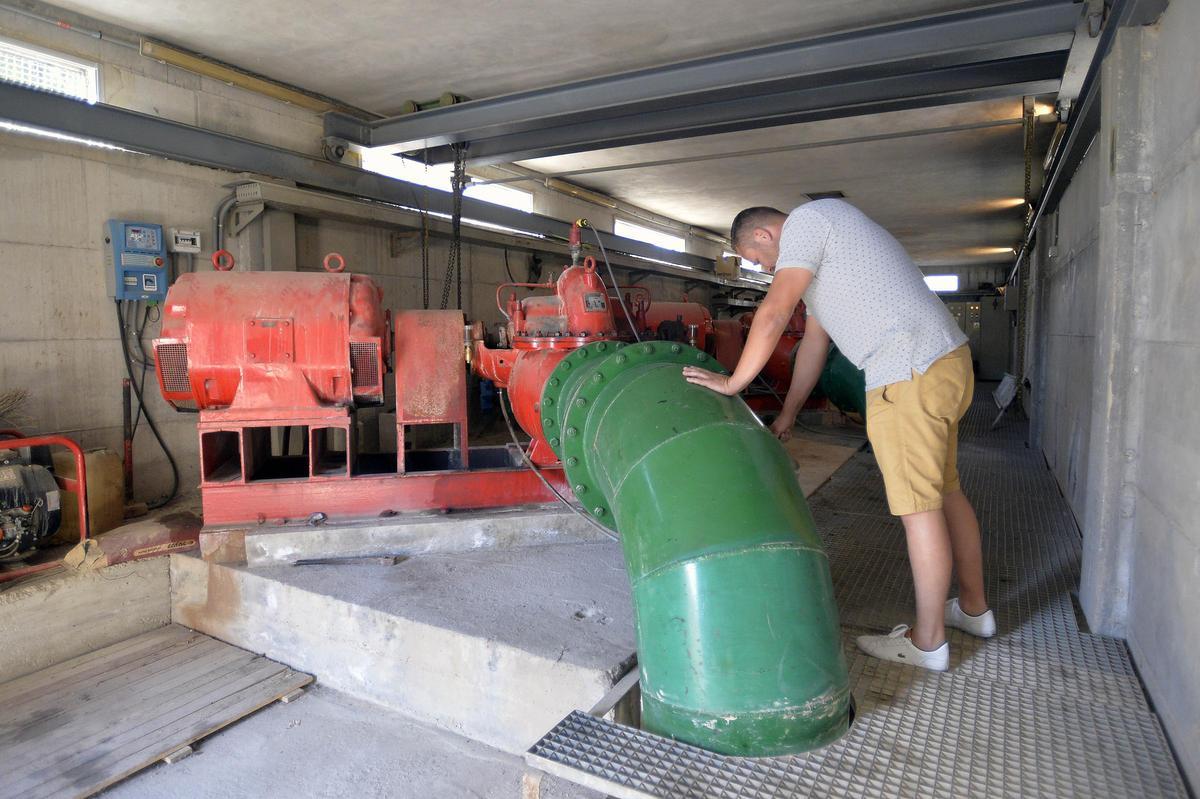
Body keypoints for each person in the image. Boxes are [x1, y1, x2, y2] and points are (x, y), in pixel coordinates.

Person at [682, 200, 995, 671]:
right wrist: (788, 413)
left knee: (919, 511)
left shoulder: (808, 221)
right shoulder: (835, 245)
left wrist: (732, 383)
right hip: (944, 363)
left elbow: (772, 313)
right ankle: (974, 610)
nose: (764, 268)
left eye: (756, 259)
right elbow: (813, 344)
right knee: (946, 492)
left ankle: (928, 642)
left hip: (905, 371)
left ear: (766, 235)